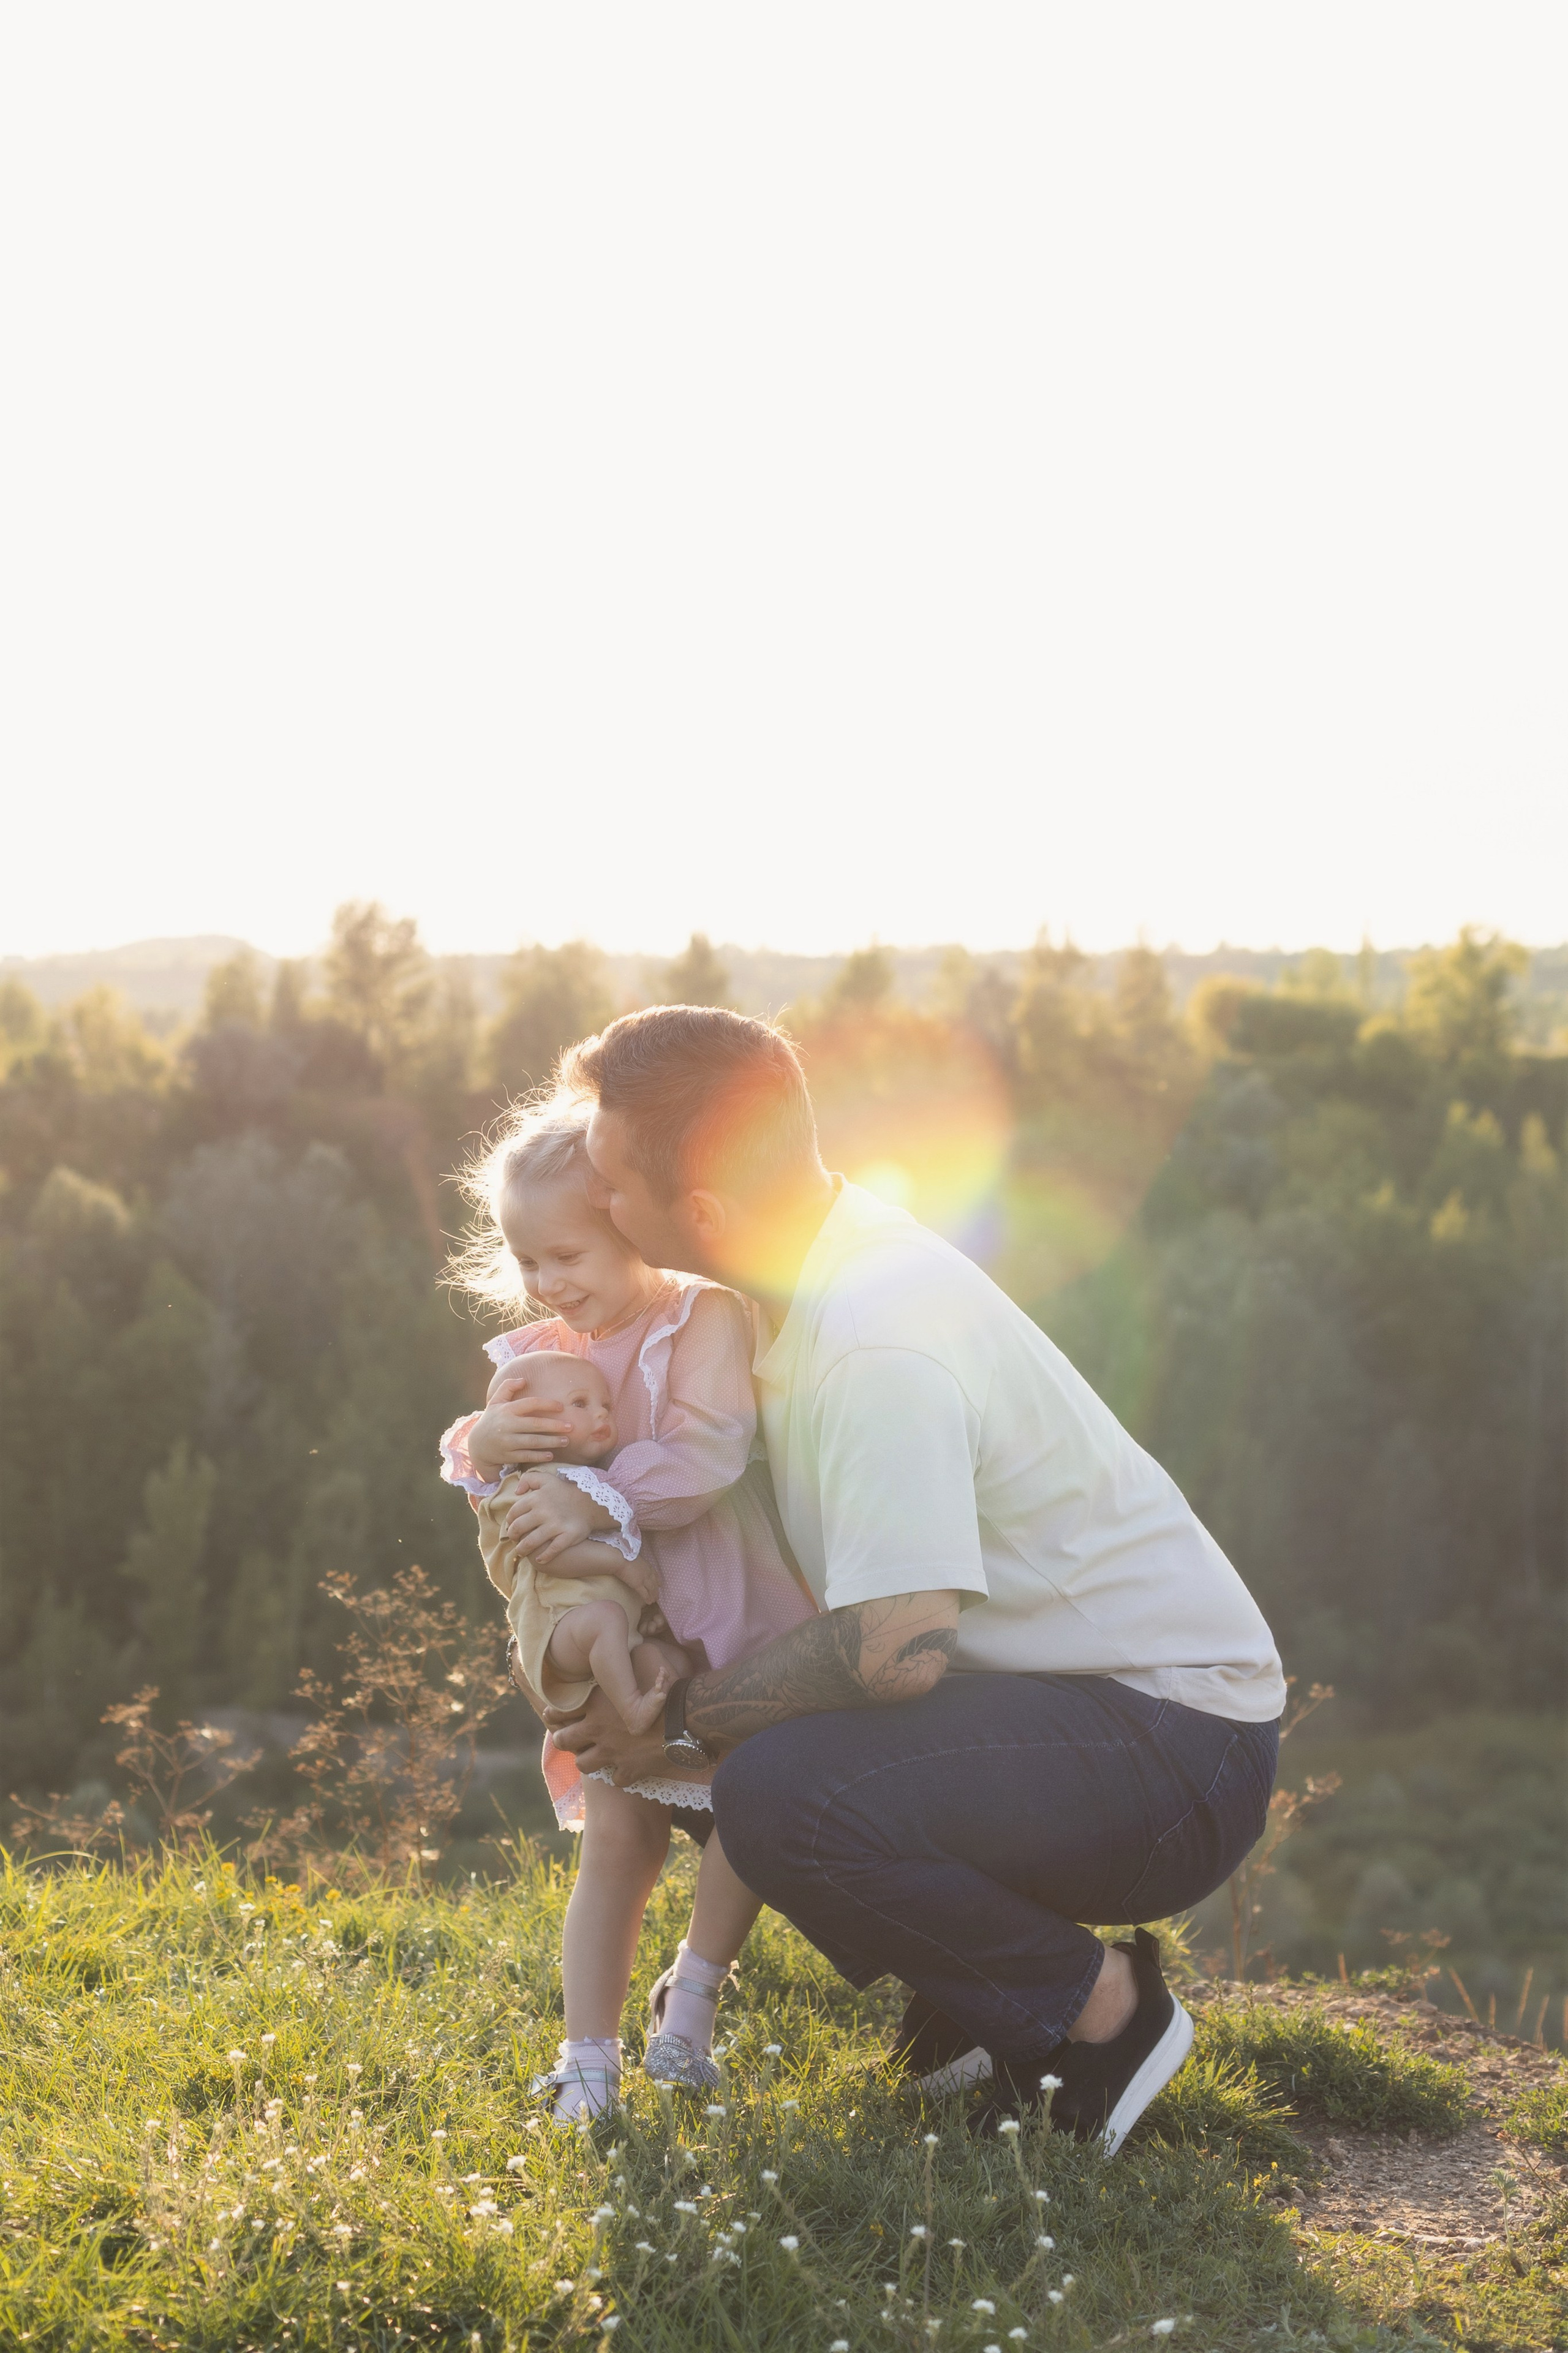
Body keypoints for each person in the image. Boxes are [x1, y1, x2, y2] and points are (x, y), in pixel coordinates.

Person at [543, 1006, 1287, 2153]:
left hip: (1177, 1744)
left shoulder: (875, 1335)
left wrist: (680, 1720)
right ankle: (988, 2001)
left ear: (700, 1215)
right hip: (1072, 1705)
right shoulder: (787, 1278)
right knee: (754, 1756)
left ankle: (1102, 2014)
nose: (594, 1207)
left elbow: (895, 1646)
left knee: (777, 1789)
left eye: (608, 1187)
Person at [440, 1099, 817, 2118]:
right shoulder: (545, 1351)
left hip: (722, 1617)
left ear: (632, 1228)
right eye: (526, 1262)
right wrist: (489, 1454)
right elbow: (483, 1452)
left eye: (566, 1254)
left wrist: (596, 1490)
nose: (548, 1282)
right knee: (621, 1838)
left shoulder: (701, 1316)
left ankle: (690, 2003)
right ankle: (587, 2059)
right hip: (613, 1618)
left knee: (752, 1811)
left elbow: (708, 1450)